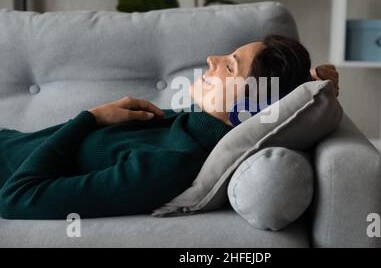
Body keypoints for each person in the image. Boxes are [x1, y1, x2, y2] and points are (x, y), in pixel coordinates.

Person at [0, 35, 339, 219]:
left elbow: (17, 198)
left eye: (230, 67)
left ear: (252, 104)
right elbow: (285, 106)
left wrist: (90, 118)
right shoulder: (186, 124)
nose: (212, 60)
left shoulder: (171, 162)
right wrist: (309, 83)